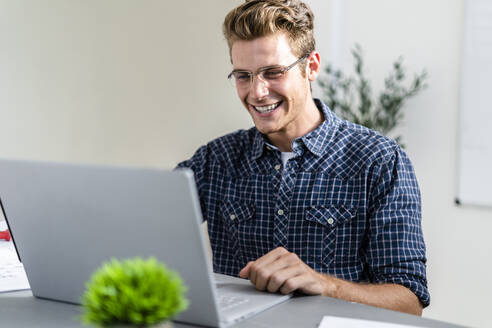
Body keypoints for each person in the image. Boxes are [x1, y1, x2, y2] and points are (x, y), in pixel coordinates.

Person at [177, 0, 429, 315]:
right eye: (243, 76)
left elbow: (409, 302)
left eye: (273, 72)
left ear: (311, 67)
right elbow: (144, 223)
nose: (257, 92)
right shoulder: (215, 160)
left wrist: (323, 284)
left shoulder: (379, 160)